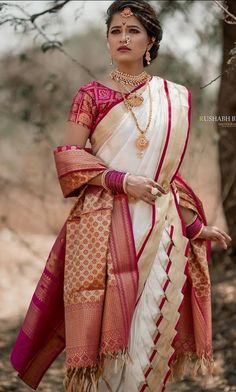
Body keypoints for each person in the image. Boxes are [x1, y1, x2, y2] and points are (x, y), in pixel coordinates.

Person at [10, 1, 231, 391]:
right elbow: (69, 158)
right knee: (108, 346)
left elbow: (169, 177)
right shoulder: (90, 96)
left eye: (133, 31)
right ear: (108, 40)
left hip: (162, 232)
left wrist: (196, 226)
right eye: (115, 31)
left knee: (148, 337)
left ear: (150, 41)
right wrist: (121, 181)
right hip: (102, 228)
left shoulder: (173, 97)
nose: (123, 38)